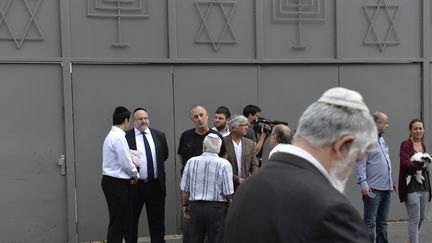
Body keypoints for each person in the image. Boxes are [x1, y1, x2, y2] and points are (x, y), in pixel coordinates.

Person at [225, 87, 377, 243]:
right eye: (355, 159)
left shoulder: (250, 185)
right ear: (341, 147)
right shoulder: (333, 210)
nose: (351, 170)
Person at [177, 105, 227, 243]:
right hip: (190, 191)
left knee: (214, 235)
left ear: (207, 115)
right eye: (196, 116)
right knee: (189, 232)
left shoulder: (216, 136)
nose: (199, 119)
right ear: (191, 119)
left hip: (213, 193)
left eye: (201, 115)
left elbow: (224, 159)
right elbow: (182, 159)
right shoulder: (186, 136)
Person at [125, 108, 169, 243]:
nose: (144, 121)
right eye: (140, 119)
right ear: (133, 121)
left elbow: (164, 156)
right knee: (131, 222)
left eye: (146, 118)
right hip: (135, 185)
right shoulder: (126, 137)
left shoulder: (159, 135)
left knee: (157, 222)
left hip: (155, 184)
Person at [180, 133, 234, 243]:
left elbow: (185, 189)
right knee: (216, 239)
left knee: (195, 238)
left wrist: (185, 205)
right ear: (219, 147)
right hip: (216, 208)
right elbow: (228, 191)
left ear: (204, 146)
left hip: (196, 207)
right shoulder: (225, 164)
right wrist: (229, 201)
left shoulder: (191, 161)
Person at [101, 106, 139, 243]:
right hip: (117, 184)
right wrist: (135, 175)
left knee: (117, 220)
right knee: (119, 223)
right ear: (126, 120)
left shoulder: (111, 136)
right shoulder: (119, 137)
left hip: (111, 182)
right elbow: (125, 163)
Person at [356, 112, 394, 243]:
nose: (387, 126)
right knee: (369, 222)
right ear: (378, 123)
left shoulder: (381, 139)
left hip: (386, 188)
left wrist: (390, 182)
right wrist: (363, 184)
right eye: (386, 122)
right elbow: (361, 164)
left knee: (383, 222)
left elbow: (385, 162)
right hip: (372, 189)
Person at [398, 119, 431, 243]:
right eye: (415, 128)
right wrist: (422, 164)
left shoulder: (423, 145)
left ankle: (412, 240)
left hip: (424, 186)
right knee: (414, 219)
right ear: (410, 130)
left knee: (422, 217)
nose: (418, 131)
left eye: (420, 128)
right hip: (411, 187)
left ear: (423, 130)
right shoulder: (405, 144)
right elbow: (405, 163)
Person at [224, 114, 257, 190]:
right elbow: (221, 167)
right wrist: (235, 179)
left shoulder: (250, 144)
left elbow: (254, 165)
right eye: (244, 125)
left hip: (245, 187)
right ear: (234, 127)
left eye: (247, 125)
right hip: (228, 186)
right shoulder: (223, 142)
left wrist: (253, 178)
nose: (247, 128)